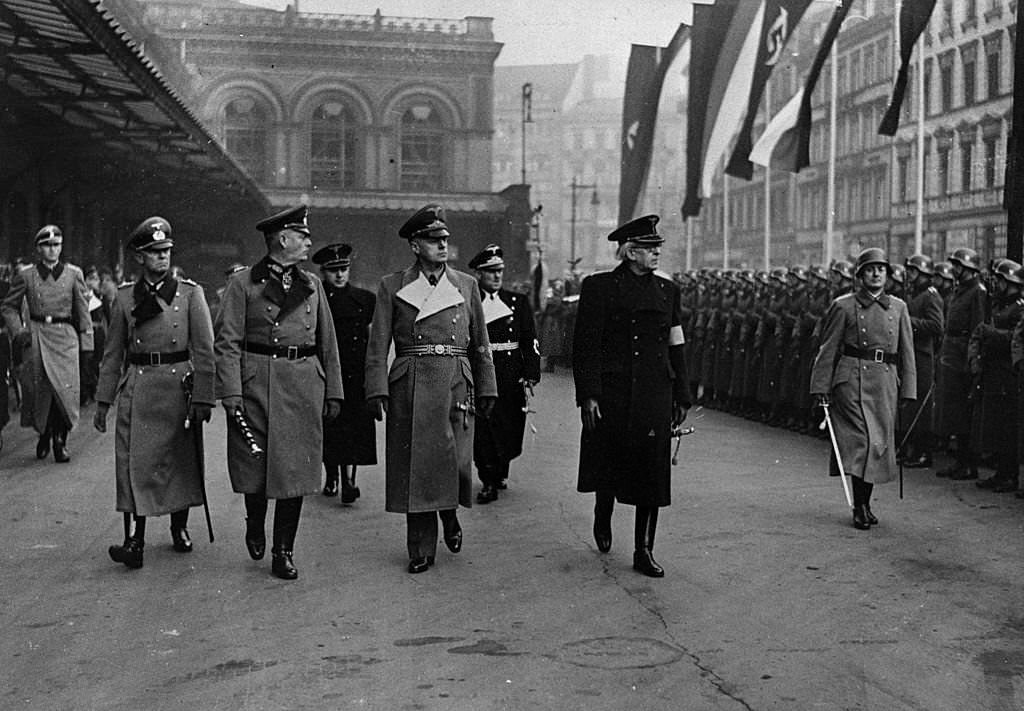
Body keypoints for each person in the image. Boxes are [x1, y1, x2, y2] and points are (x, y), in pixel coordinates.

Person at [364, 204, 497, 574]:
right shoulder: (393, 286)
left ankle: (449, 513)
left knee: (453, 461)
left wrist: (487, 387)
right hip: (412, 380)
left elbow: (480, 342)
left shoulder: (466, 285)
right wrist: (376, 388)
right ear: (415, 245)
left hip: (456, 379)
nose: (443, 246)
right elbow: (378, 343)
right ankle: (420, 547)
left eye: (445, 239)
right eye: (433, 240)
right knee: (417, 467)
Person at [214, 205, 344, 580]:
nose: (308, 242)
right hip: (257, 382)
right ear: (282, 240)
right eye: (302, 236)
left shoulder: (313, 284)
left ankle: (282, 550)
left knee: (295, 473)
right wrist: (231, 393)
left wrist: (333, 391)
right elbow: (227, 343)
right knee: (255, 468)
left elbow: (327, 343)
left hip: (303, 384)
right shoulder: (243, 284)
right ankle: (256, 520)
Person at [572, 214, 691, 578]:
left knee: (652, 473)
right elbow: (586, 345)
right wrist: (589, 394)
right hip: (613, 392)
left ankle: (644, 549)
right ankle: (602, 511)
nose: (656, 254)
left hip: (655, 392)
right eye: (649, 248)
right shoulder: (599, 287)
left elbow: (677, 343)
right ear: (629, 252)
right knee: (608, 461)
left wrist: (682, 394)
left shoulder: (667, 291)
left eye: (657, 248)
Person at [94, 217, 216, 569]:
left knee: (179, 460)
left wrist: (205, 398)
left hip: (178, 386)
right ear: (140, 258)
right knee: (135, 464)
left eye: (166, 251)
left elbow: (205, 351)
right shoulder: (125, 297)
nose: (162, 258)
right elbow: (113, 354)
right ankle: (136, 540)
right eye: (155, 252)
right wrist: (103, 402)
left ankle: (179, 526)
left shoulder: (191, 294)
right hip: (140, 384)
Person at [810, 248, 916, 530]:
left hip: (884, 382)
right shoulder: (843, 306)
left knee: (878, 444)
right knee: (862, 442)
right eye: (870, 269)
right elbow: (828, 348)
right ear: (860, 275)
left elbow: (907, 351)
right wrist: (821, 385)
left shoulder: (899, 308)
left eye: (881, 269)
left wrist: (908, 389)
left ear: (888, 275)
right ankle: (859, 506)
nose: (877, 273)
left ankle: (866, 503)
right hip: (851, 380)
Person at [1, 225, 93, 462]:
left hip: (66, 337)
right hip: (38, 335)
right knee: (42, 391)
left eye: (56, 245)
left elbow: (83, 311)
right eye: (46, 246)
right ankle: (45, 432)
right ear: (38, 249)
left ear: (61, 247)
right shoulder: (26, 275)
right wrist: (19, 332)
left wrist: (87, 344)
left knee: (65, 391)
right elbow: (8, 307)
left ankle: (60, 440)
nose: (52, 250)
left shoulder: (74, 274)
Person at [468, 244, 541, 504]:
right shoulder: (470, 301)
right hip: (483, 370)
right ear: (479, 274)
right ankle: (487, 479)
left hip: (510, 374)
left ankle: (500, 469)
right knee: (484, 427)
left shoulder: (517, 301)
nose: (497, 276)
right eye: (491, 272)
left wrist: (531, 372)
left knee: (509, 425)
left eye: (500, 271)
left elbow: (529, 339)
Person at [311, 243, 377, 504]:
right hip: (327, 373)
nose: (339, 275)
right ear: (323, 273)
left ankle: (349, 480)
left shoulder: (364, 299)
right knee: (331, 427)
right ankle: (332, 476)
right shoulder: (317, 300)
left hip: (356, 373)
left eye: (344, 269)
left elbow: (371, 341)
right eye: (333, 270)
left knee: (355, 428)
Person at [969, 260, 1024, 493]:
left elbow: (1015, 336)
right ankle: (1001, 473)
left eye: (1001, 280)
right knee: (997, 425)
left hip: (1007, 373)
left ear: (1010, 282)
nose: (997, 284)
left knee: (1008, 427)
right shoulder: (1001, 305)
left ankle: (1009, 475)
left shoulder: (1019, 307)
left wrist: (991, 334)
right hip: (995, 371)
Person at [934, 248, 987, 480]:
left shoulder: (977, 292)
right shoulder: (961, 290)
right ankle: (960, 461)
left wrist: (972, 359)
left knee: (966, 412)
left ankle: (968, 464)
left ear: (969, 268)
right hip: (953, 353)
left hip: (964, 355)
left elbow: (978, 328)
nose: (954, 269)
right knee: (954, 410)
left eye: (958, 265)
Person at [899, 255, 944, 469]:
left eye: (914, 271)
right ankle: (913, 450)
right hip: (911, 354)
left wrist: (910, 322)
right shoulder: (914, 294)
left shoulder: (930, 296)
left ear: (923, 274)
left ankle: (924, 453)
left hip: (923, 355)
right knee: (910, 405)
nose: (910, 274)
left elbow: (937, 325)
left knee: (922, 409)